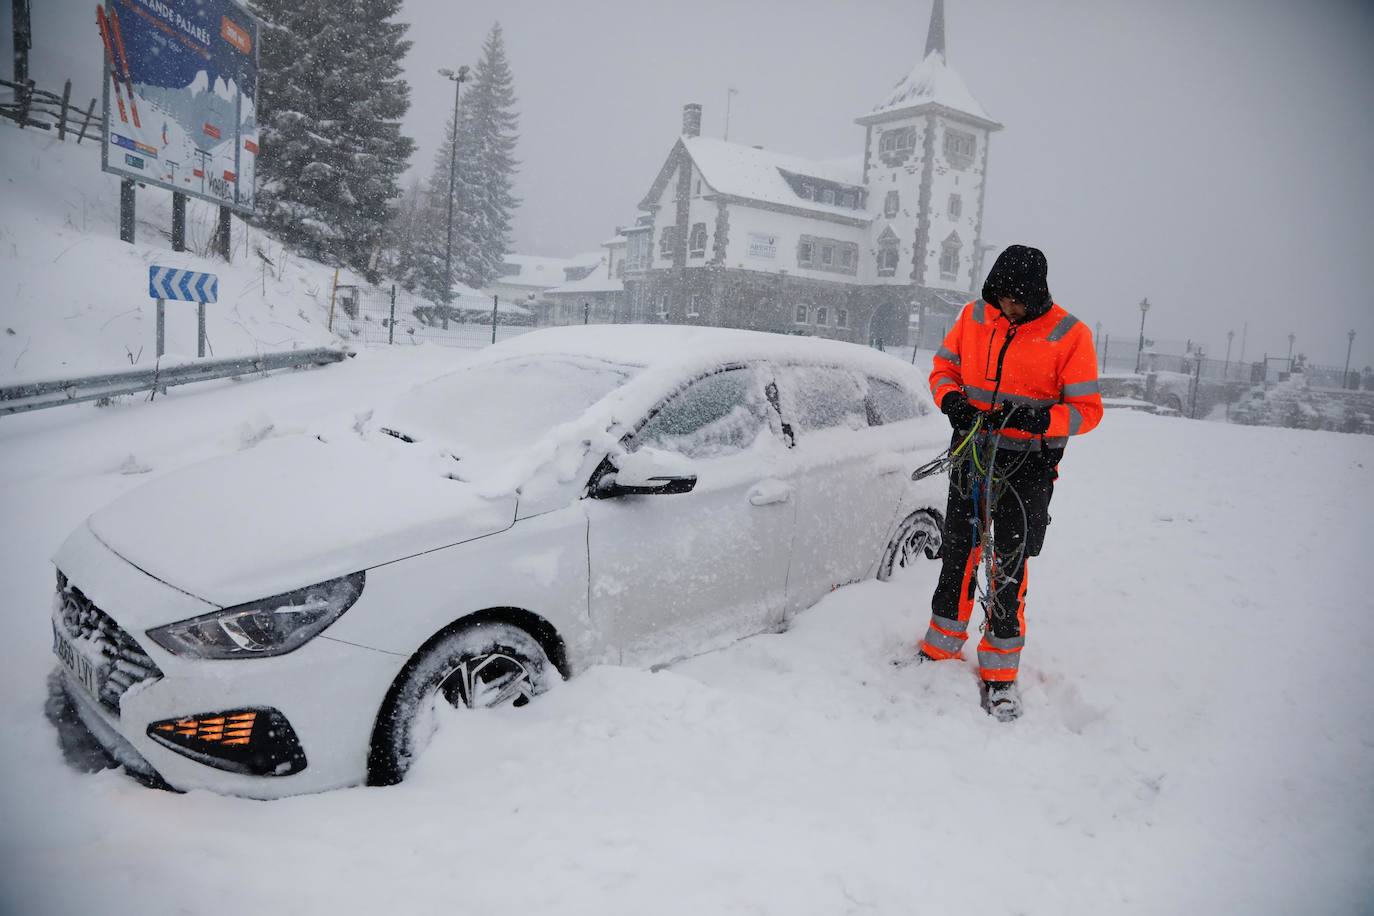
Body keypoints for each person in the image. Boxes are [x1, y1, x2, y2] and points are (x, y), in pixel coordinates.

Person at [916, 245, 1102, 721]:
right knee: (958, 548)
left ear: (1037, 295)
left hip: (1030, 467)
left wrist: (1039, 417)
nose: (1008, 308)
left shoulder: (1070, 335)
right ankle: (940, 648)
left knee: (1009, 562)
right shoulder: (975, 316)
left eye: (1017, 300)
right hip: (972, 450)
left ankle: (1000, 673)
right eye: (1001, 297)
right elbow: (942, 369)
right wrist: (952, 401)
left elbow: (1088, 411)